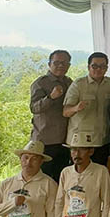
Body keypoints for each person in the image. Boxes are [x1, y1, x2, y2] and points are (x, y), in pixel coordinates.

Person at [64, 52, 110, 167]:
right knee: (78, 173)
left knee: (99, 172)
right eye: (94, 66)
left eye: (102, 66)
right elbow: (66, 112)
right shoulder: (78, 84)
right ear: (88, 67)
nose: (98, 69)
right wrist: (76, 108)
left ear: (106, 68)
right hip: (81, 142)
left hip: (102, 139)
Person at [28, 50, 74, 181]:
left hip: (64, 140)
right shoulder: (41, 83)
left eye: (64, 63)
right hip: (44, 141)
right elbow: (34, 108)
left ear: (69, 65)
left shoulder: (70, 83)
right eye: (56, 63)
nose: (60, 66)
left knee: (61, 178)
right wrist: (50, 97)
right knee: (42, 178)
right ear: (49, 64)